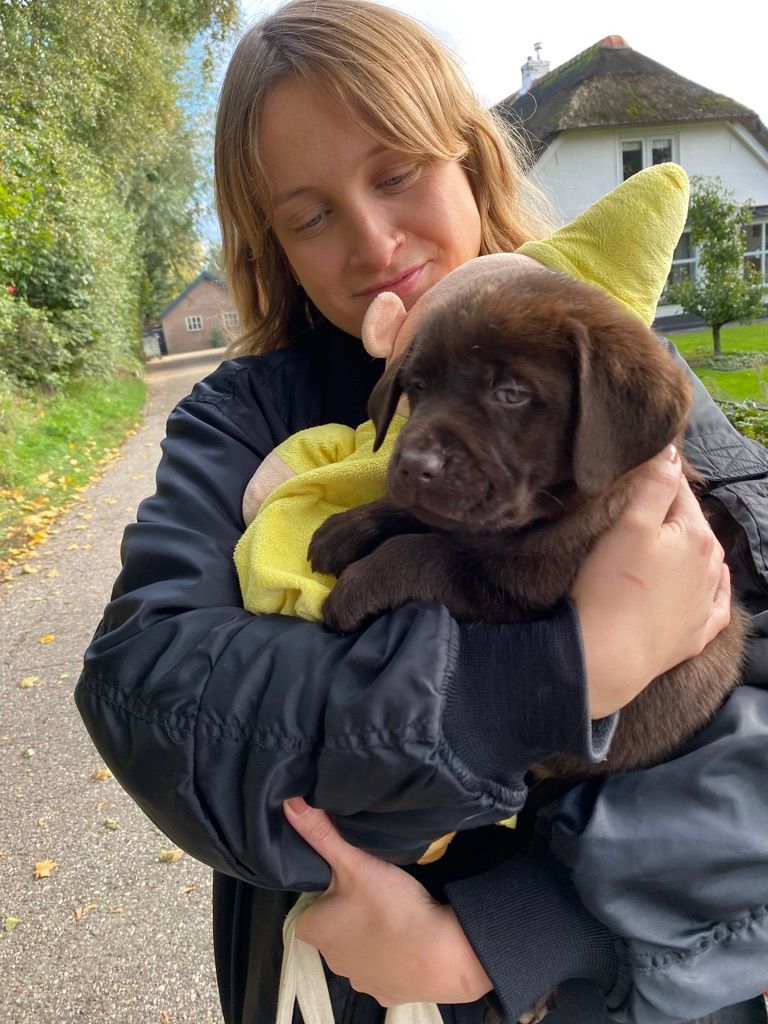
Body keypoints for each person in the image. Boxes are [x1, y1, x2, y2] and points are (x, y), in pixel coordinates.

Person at [75, 3, 768, 1024]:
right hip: (348, 988)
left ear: (474, 161)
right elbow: (155, 704)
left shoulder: (617, 371)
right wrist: (558, 675)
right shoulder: (244, 418)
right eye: (311, 215)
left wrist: (509, 934)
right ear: (270, 242)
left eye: (396, 172)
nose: (374, 239)